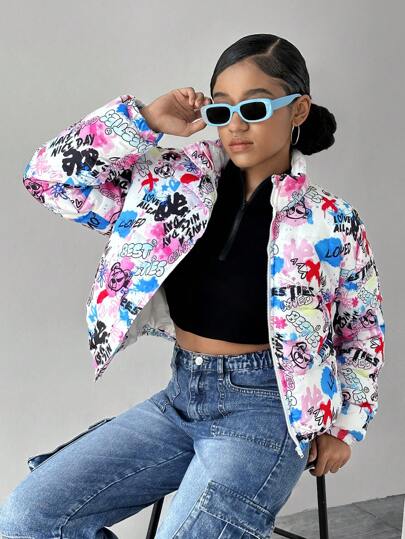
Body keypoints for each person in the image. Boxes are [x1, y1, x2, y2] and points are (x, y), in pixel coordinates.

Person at [0, 33, 385, 538]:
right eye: (223, 110)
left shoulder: (331, 221)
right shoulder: (169, 189)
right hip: (180, 396)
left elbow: (362, 330)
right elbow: (49, 178)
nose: (236, 125)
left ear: (299, 109)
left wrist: (346, 425)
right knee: (29, 516)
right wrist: (144, 121)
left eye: (255, 107)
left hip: (270, 412)